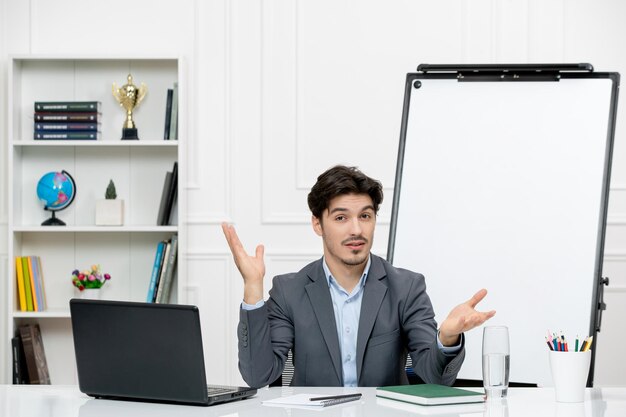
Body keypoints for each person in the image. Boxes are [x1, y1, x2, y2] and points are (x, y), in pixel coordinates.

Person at [222, 165, 495, 388]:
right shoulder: (288, 291)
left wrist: (446, 338)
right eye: (341, 218)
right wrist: (253, 287)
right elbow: (259, 376)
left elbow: (434, 378)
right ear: (318, 223)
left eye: (365, 216)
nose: (356, 230)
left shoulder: (407, 287)